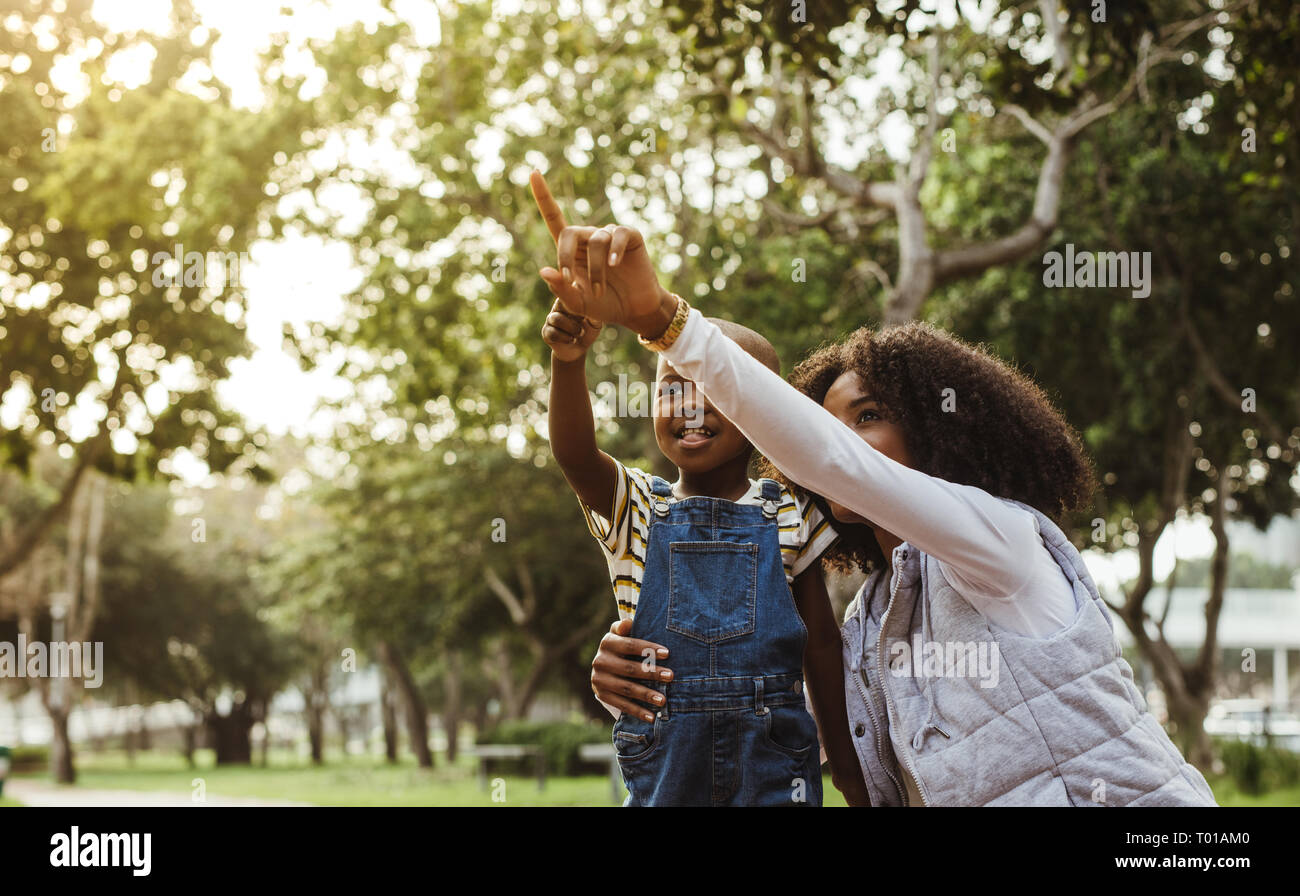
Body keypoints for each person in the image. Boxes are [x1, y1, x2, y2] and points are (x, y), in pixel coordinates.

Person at [532, 170, 1218, 807]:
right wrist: (626, 670)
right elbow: (821, 736)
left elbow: (834, 463)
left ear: (934, 429)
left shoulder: (998, 540)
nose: (840, 444)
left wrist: (662, 322)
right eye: (829, 425)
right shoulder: (871, 620)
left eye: (870, 416)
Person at [534, 183, 869, 807]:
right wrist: (569, 361)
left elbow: (818, 642)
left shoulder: (789, 510)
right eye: (671, 388)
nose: (690, 406)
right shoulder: (636, 507)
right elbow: (576, 455)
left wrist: (845, 762)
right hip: (667, 764)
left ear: (761, 413)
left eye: (716, 389)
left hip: (773, 759)